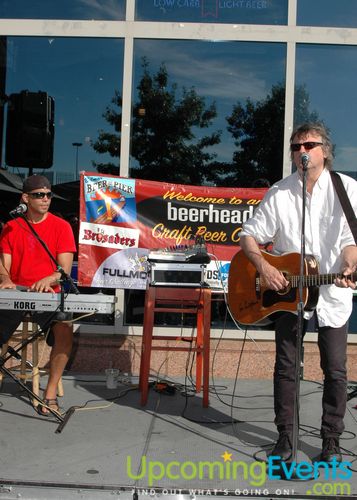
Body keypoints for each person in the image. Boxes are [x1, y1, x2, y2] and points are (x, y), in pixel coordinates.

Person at [239, 122, 357, 463]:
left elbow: (352, 242)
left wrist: (349, 265)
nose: (301, 151)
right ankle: (285, 439)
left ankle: (331, 441)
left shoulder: (346, 189)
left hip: (332, 297)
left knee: (335, 370)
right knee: (286, 367)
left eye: (308, 145)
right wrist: (264, 267)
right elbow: (249, 236)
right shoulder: (279, 192)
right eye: (296, 147)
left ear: (325, 150)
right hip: (289, 296)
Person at [0, 174, 77, 416]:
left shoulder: (61, 226)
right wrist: (5, 279)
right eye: (39, 195)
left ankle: (50, 394)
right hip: (17, 292)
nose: (45, 199)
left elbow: (63, 270)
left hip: (48, 293)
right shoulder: (12, 226)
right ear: (25, 198)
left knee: (64, 327)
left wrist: (50, 278)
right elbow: (4, 265)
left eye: (48, 194)